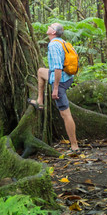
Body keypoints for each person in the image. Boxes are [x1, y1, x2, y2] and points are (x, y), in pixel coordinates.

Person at [31, 22, 79, 152]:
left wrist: (56, 88)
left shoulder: (53, 45)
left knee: (65, 114)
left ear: (53, 32)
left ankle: (74, 145)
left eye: (50, 26)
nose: (48, 27)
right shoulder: (62, 42)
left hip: (60, 81)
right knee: (41, 71)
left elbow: (57, 68)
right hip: (67, 78)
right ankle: (40, 101)